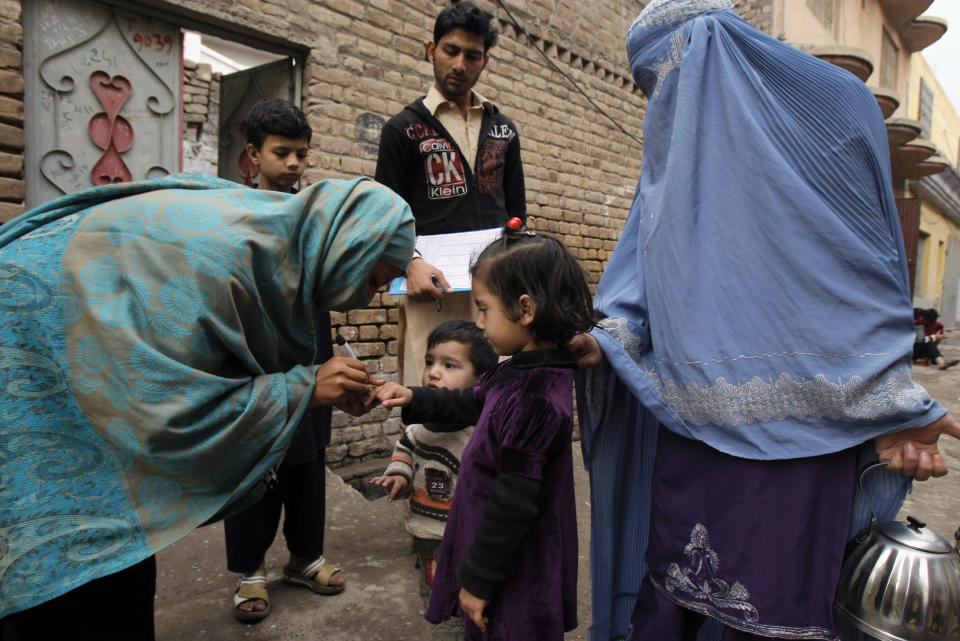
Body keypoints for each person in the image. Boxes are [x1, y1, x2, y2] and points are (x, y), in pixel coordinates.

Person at [569, 2, 960, 641]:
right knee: (680, 589)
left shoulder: (834, 109)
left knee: (778, 606)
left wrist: (891, 401)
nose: (667, 100)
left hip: (807, 447)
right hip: (691, 436)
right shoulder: (671, 164)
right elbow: (636, 290)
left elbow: (862, 277)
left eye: (671, 73)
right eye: (651, 87)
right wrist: (602, 342)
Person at [0, 172, 414, 640]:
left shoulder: (275, 254)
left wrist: (312, 387)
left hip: (56, 333)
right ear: (351, 246)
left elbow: (227, 365)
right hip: (31, 341)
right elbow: (162, 414)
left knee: (121, 567)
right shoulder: (222, 261)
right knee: (75, 567)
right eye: (377, 278)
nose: (372, 296)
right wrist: (303, 388)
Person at [368, 226, 593, 640]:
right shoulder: (514, 371)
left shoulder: (537, 399)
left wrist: (478, 579)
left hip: (513, 564)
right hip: (493, 549)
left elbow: (513, 503)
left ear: (525, 310)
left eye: (485, 309)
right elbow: (471, 403)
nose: (478, 320)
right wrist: (413, 398)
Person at [223, 98, 346, 622]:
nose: (294, 164)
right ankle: (250, 570)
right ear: (253, 154)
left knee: (308, 454)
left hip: (311, 347)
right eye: (282, 153)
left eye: (301, 154)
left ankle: (304, 557)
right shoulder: (233, 212)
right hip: (257, 354)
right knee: (257, 457)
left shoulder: (313, 212)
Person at [375, 0, 526, 387]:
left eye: (472, 55)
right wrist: (410, 263)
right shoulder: (403, 129)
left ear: (485, 62)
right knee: (433, 395)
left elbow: (517, 214)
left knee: (492, 392)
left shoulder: (503, 130)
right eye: (451, 50)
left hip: (493, 293)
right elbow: (384, 213)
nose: (460, 64)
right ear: (432, 51)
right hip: (431, 288)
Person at [369, 319, 497, 640]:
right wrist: (398, 475)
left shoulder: (476, 437)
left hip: (465, 541)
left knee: (465, 607)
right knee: (433, 595)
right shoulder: (417, 428)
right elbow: (405, 452)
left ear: (479, 382)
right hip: (426, 537)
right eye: (430, 362)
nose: (433, 372)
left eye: (449, 365)